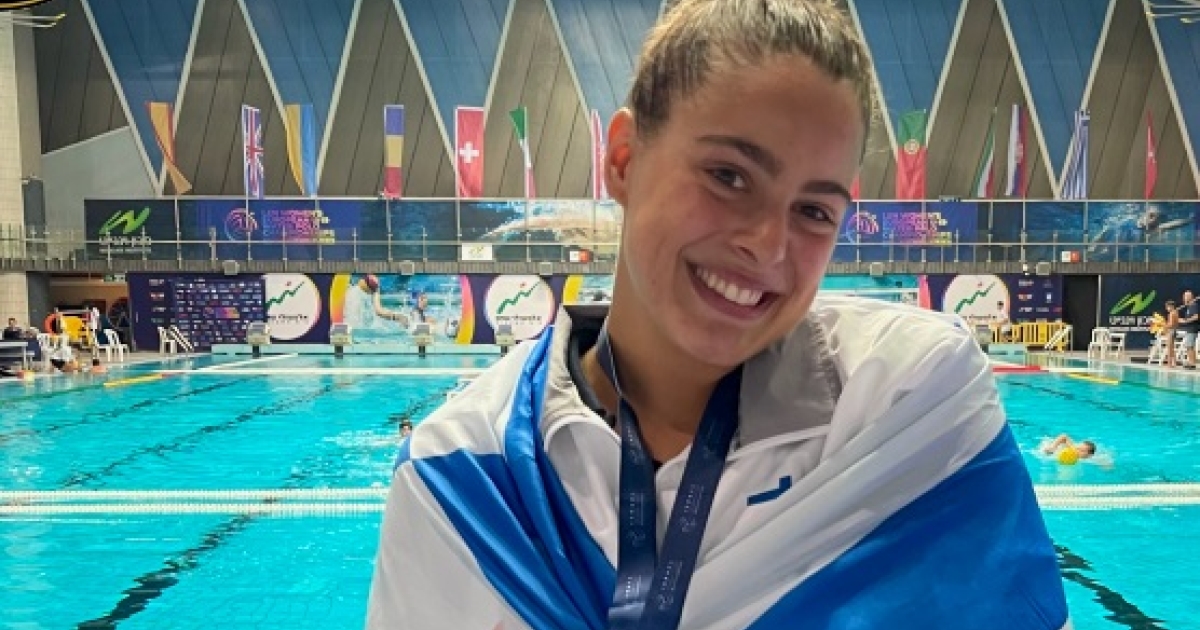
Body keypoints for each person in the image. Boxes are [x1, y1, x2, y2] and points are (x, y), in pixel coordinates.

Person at [367, 2, 1070, 628]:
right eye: (729, 176)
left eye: (814, 211)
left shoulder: (912, 405)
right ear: (624, 159)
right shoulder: (461, 476)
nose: (768, 244)